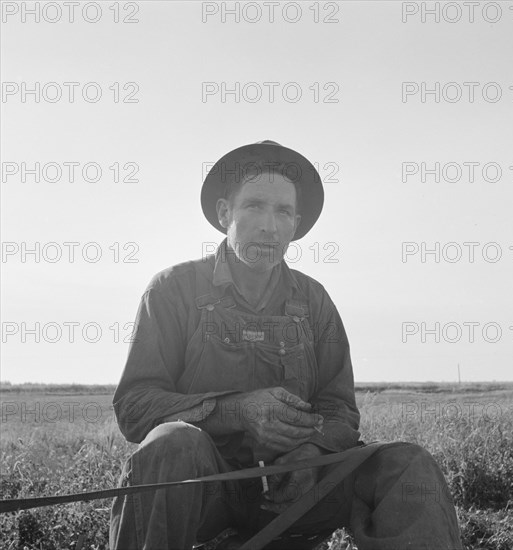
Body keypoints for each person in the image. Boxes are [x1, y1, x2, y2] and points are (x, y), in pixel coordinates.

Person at [109, 141, 463, 550]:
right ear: (225, 213)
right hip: (208, 492)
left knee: (405, 464)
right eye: (254, 207)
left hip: (299, 488)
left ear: (295, 224)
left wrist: (310, 454)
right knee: (171, 442)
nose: (268, 225)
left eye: (282, 212)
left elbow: (340, 409)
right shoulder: (173, 290)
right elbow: (135, 406)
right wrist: (236, 410)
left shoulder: (313, 301)